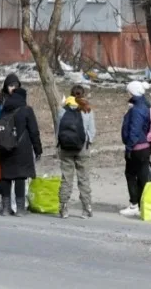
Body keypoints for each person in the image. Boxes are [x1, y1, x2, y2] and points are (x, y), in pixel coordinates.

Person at [0, 87, 43, 217]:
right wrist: (38, 149)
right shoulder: (27, 110)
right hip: (22, 148)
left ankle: (6, 209)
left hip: (4, 146)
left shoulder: (4, 109)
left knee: (6, 176)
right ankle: (20, 209)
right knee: (20, 176)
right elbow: (34, 131)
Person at [56, 85, 96, 219]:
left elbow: (58, 131)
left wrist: (59, 145)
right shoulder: (86, 109)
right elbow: (92, 131)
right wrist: (88, 142)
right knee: (83, 178)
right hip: (82, 148)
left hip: (65, 148)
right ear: (82, 95)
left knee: (66, 178)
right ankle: (87, 208)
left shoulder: (62, 110)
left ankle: (63, 208)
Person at [120, 81, 151, 217]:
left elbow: (134, 131)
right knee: (143, 176)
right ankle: (145, 203)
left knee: (131, 175)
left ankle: (134, 204)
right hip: (146, 146)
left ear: (132, 92)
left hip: (137, 147)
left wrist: (129, 147)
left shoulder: (136, 110)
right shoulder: (146, 105)